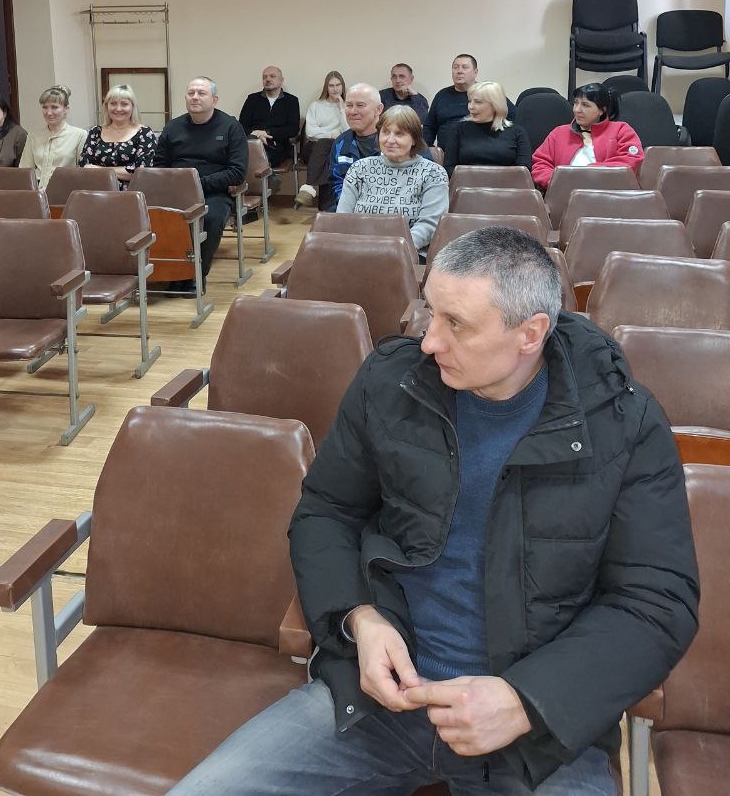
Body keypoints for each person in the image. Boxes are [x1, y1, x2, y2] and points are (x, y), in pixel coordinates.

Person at [168, 226, 699, 796]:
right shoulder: (393, 382)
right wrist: (360, 618)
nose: (429, 342)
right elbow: (326, 512)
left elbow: (657, 601)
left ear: (530, 334)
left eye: (457, 325)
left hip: (533, 735)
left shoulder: (624, 424)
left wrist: (525, 700)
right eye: (431, 313)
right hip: (377, 704)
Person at [153, 77, 248, 280]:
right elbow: (159, 166)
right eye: (191, 93)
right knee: (157, 217)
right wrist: (177, 186)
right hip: (175, 192)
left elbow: (237, 172)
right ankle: (169, 273)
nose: (195, 97)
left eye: (201, 93)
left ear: (214, 100)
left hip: (214, 193)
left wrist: (197, 185)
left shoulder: (231, 127)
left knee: (211, 219)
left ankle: (195, 275)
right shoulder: (172, 127)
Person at [337, 106, 448, 252]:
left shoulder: (433, 173)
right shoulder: (359, 168)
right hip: (357, 250)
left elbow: (429, 225)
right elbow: (343, 218)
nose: (390, 140)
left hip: (407, 253)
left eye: (399, 134)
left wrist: (392, 249)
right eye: (385, 132)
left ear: (414, 139)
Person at [531, 83, 644, 190]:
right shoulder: (559, 133)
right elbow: (540, 164)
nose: (577, 110)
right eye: (576, 103)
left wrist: (588, 174)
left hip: (609, 194)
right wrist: (559, 181)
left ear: (602, 110)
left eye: (585, 105)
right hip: (565, 194)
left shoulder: (621, 130)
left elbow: (629, 161)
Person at [442, 81, 532, 178]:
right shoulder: (458, 129)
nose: (471, 107)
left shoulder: (517, 132)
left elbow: (523, 170)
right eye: (469, 101)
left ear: (495, 105)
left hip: (506, 185)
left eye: (478, 102)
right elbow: (449, 168)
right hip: (467, 185)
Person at [425, 55, 515, 151]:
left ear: (475, 72)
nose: (459, 71)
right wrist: (427, 150)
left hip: (481, 150)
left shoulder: (487, 93)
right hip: (445, 153)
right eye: (455, 67)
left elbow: (513, 118)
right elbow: (429, 126)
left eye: (465, 67)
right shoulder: (442, 95)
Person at [78, 84, 156, 181]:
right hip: (97, 188)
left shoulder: (145, 133)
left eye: (124, 104)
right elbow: (84, 166)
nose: (118, 109)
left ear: (132, 107)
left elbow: (142, 172)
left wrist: (99, 170)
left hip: (132, 189)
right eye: (113, 103)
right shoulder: (95, 132)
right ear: (107, 106)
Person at [19, 86, 88, 191]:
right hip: (36, 192)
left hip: (65, 191)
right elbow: (25, 170)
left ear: (66, 109)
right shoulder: (33, 136)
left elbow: (83, 172)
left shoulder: (79, 135)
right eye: (45, 107)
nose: (49, 112)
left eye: (54, 107)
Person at [295, 70, 347, 209]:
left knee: (330, 158)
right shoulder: (316, 105)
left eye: (338, 85)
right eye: (331, 85)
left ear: (342, 86)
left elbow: (348, 132)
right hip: (313, 148)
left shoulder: (348, 106)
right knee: (326, 147)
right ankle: (325, 207)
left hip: (336, 148)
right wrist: (331, 134)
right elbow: (310, 133)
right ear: (326, 88)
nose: (335, 89)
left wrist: (342, 109)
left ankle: (309, 188)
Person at [327, 83, 384, 208]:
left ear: (378, 109)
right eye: (349, 105)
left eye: (360, 105)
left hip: (387, 210)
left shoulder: (395, 141)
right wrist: (351, 208)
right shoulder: (340, 143)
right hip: (349, 209)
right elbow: (337, 182)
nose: (352, 111)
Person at [239, 66, 301, 168]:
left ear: (281, 80)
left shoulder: (291, 101)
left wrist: (267, 133)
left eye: (272, 76)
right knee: (245, 150)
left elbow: (293, 129)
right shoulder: (252, 99)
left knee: (251, 158)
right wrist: (256, 134)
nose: (267, 79)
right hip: (252, 141)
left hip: (277, 144)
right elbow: (241, 125)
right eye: (264, 77)